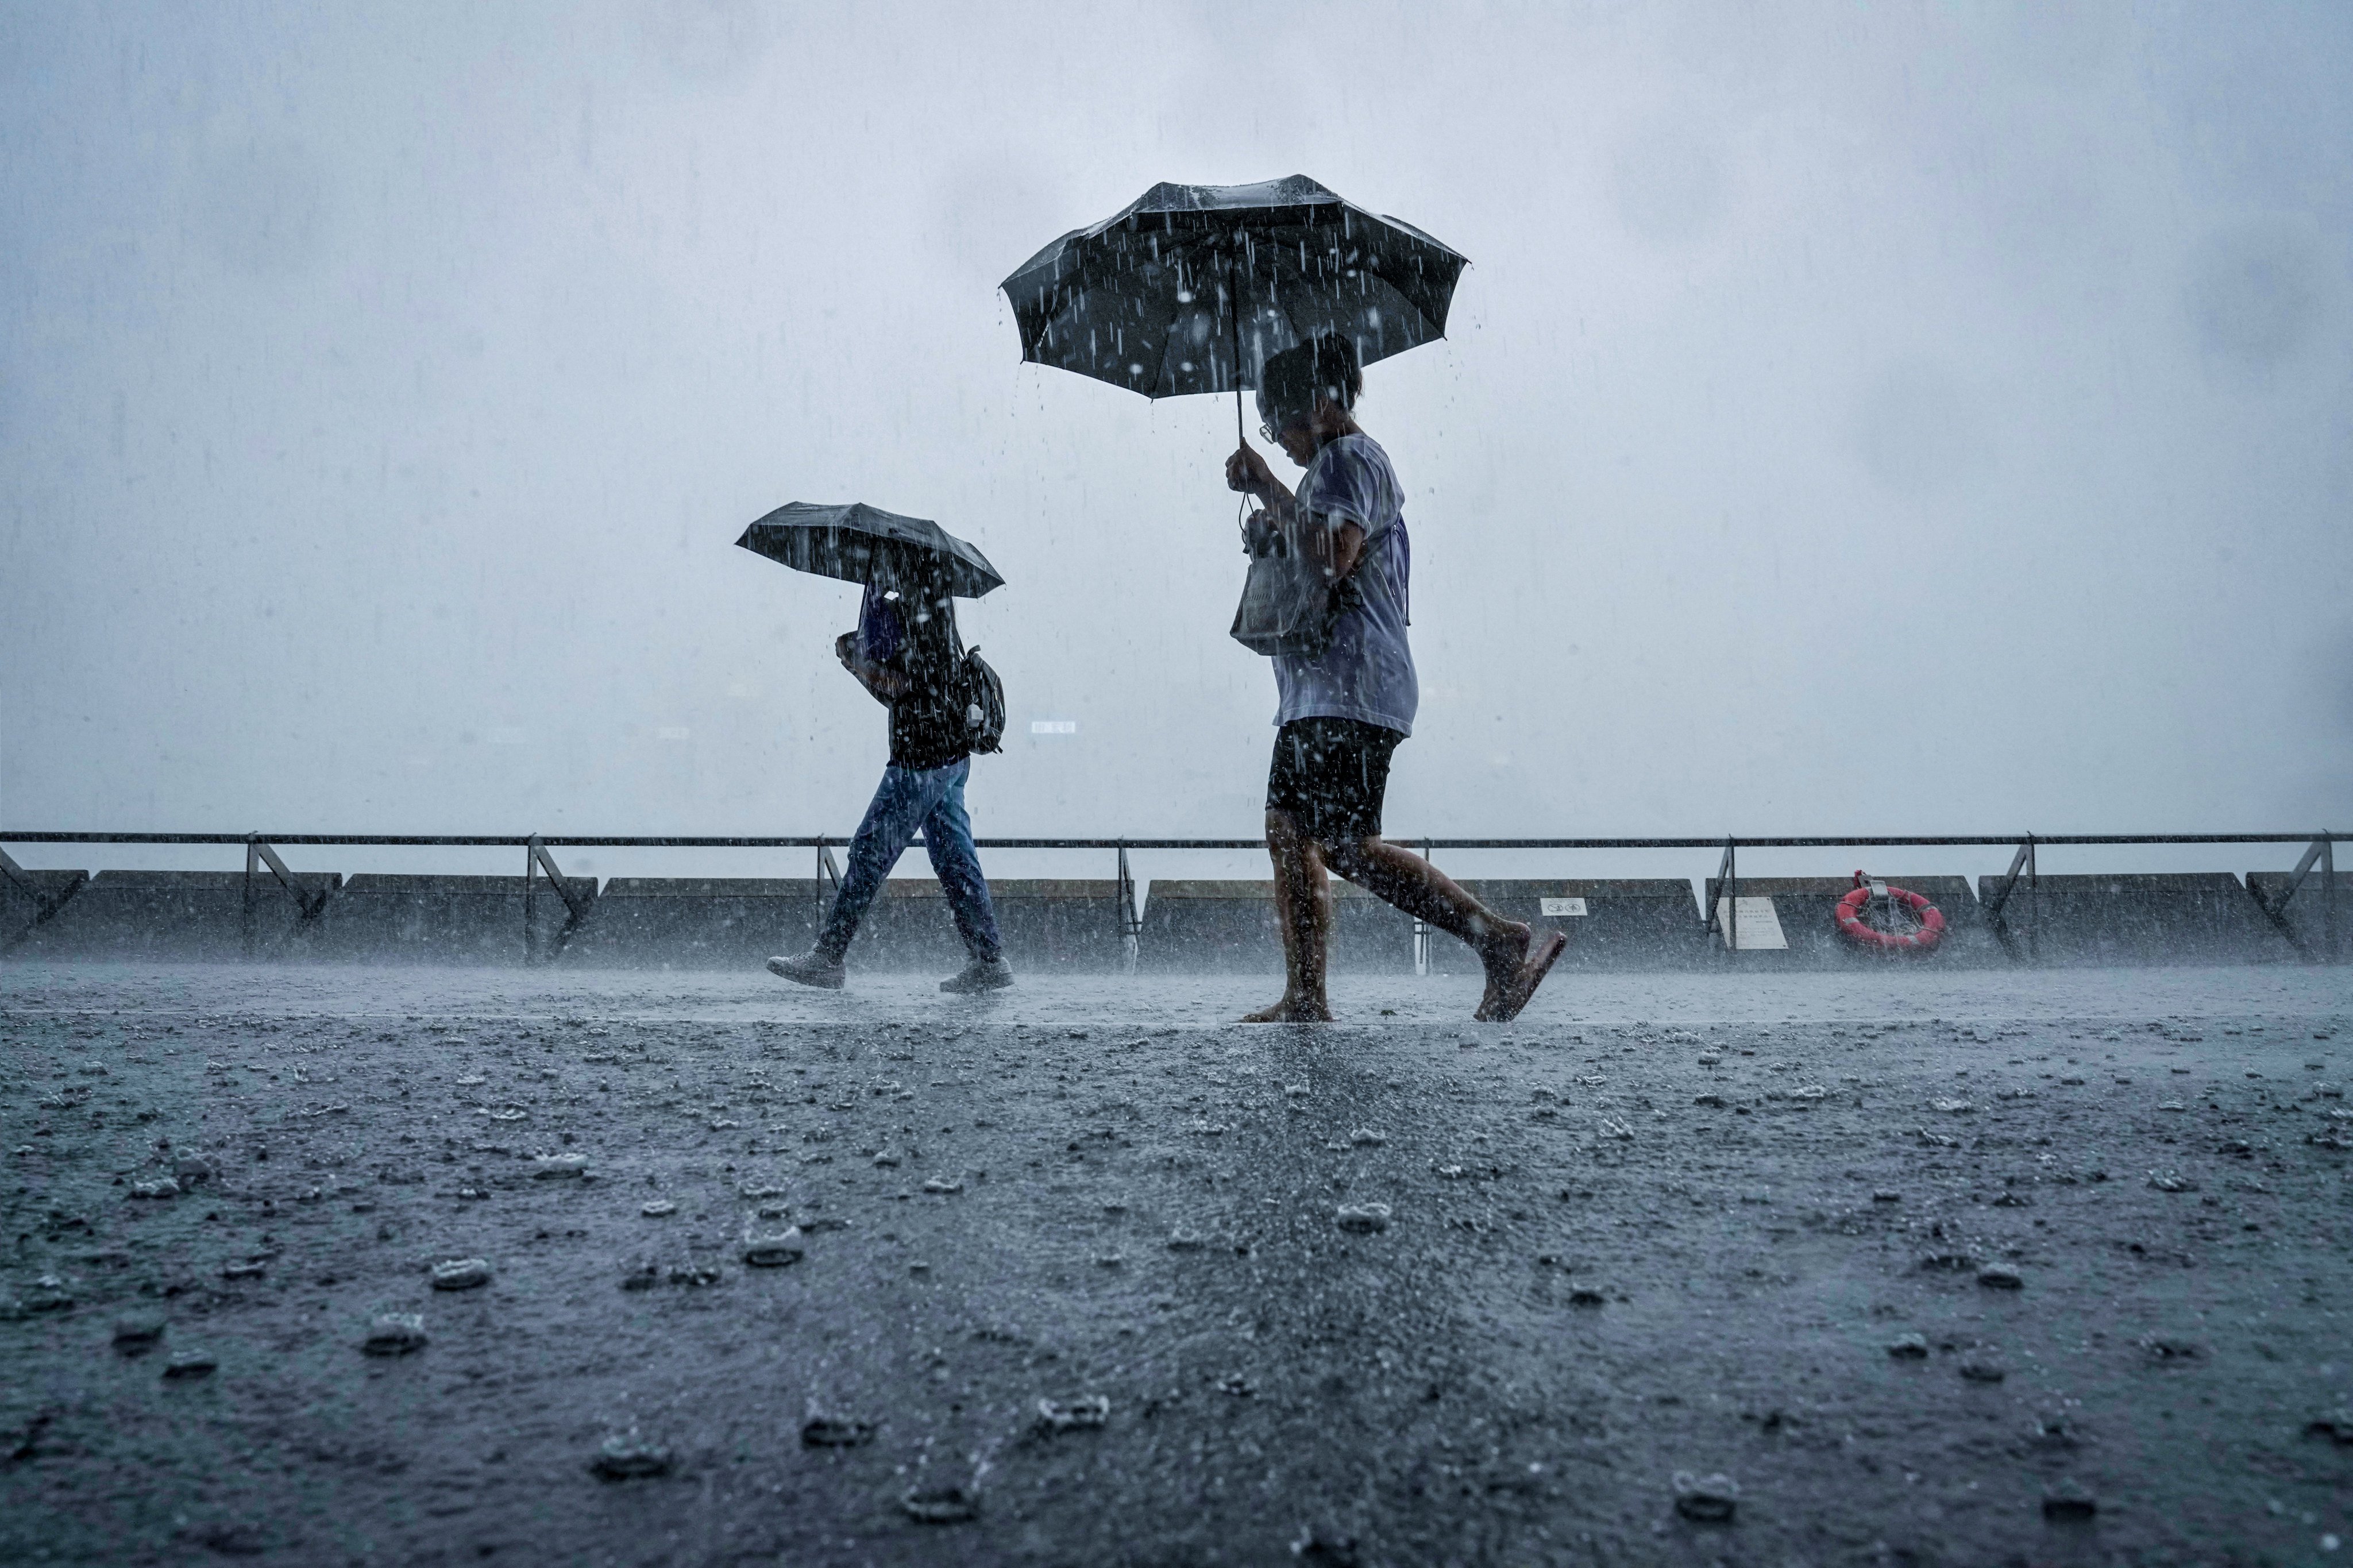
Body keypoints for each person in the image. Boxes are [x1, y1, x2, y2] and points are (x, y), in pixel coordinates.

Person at [1222, 333, 1563, 1023]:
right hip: (1331, 689)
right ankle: (1312, 995)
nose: (1278, 439)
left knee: (1328, 841)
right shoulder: (1339, 466)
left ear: (1317, 405)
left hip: (1348, 688)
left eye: (1277, 422)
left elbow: (1332, 558)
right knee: (1301, 834)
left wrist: (1266, 488)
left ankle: (1494, 942)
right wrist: (1277, 522)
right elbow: (1321, 545)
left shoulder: (1347, 459)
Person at [766, 573, 1012, 994]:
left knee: (870, 850)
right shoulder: (936, 609)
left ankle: (828, 956)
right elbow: (915, 687)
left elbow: (903, 689)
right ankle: (989, 960)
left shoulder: (920, 616)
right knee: (956, 860)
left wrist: (859, 665)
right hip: (949, 757)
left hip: (920, 761)